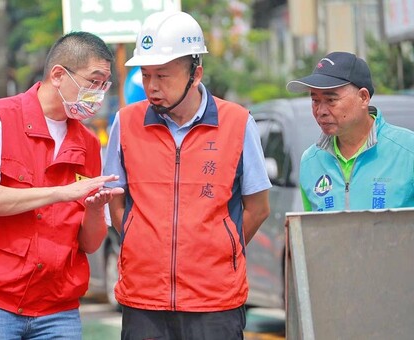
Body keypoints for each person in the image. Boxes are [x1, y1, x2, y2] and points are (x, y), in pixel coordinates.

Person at [0, 31, 124, 340]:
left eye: (105, 85)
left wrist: (93, 211)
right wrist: (61, 193)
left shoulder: (89, 144)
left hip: (57, 309)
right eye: (94, 82)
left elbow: (90, 244)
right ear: (58, 75)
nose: (99, 94)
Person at [103, 11, 271, 340]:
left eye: (162, 76)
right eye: (146, 74)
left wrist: (222, 248)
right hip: (144, 302)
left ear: (196, 74)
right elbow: (116, 200)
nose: (151, 87)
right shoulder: (125, 123)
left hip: (215, 303)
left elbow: (258, 206)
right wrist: (142, 243)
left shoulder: (237, 123)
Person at [287, 51, 414, 211]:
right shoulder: (311, 160)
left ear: (363, 97)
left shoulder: (408, 150)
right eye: (315, 100)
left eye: (331, 100)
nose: (321, 111)